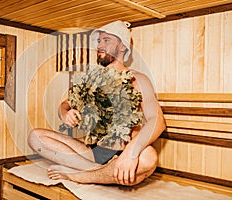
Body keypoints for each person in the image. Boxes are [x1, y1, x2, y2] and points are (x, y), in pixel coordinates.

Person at [28, 20, 166, 186]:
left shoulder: (138, 79)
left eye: (106, 40)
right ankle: (98, 173)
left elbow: (157, 121)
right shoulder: (92, 80)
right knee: (35, 137)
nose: (99, 45)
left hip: (122, 153)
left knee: (149, 157)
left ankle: (77, 176)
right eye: (99, 41)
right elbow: (65, 104)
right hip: (92, 152)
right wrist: (65, 113)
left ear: (122, 46)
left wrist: (131, 153)